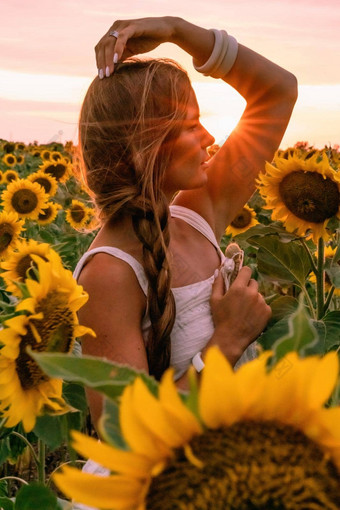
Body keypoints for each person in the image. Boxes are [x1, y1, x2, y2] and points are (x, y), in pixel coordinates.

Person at [73, 16, 298, 430]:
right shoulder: (108, 274)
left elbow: (278, 92)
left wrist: (178, 32)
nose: (210, 137)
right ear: (147, 142)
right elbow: (123, 436)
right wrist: (226, 342)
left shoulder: (196, 216)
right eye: (191, 124)